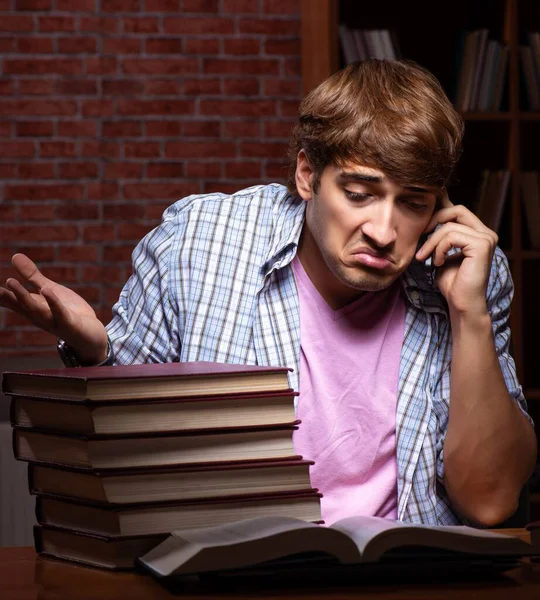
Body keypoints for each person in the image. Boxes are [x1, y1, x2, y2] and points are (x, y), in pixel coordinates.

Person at [0, 59, 536, 527]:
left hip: (409, 580)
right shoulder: (199, 243)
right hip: (232, 581)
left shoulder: (467, 273)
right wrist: (95, 354)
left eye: (413, 203)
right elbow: (125, 467)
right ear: (307, 173)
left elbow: (489, 502)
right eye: (358, 193)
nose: (383, 229)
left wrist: (469, 314)